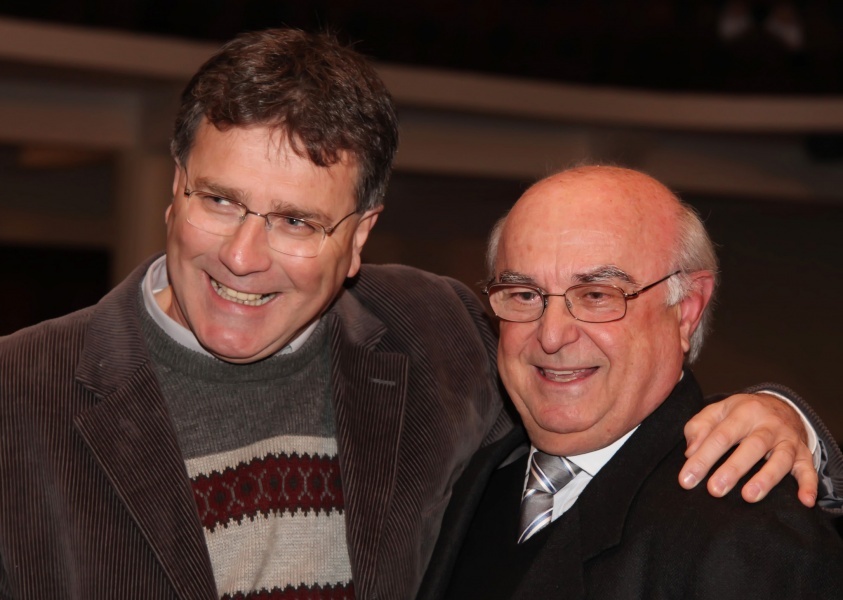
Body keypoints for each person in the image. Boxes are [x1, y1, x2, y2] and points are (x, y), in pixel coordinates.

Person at [0, 29, 835, 600]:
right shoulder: (19, 396)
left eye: (296, 221)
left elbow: (602, 393)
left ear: (358, 237)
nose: (244, 256)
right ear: (175, 187)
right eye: (219, 200)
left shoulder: (434, 335)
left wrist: (785, 418)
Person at [419, 165, 843, 599]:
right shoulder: (467, 472)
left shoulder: (750, 536)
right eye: (524, 295)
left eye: (596, 295)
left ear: (687, 309)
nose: (551, 335)